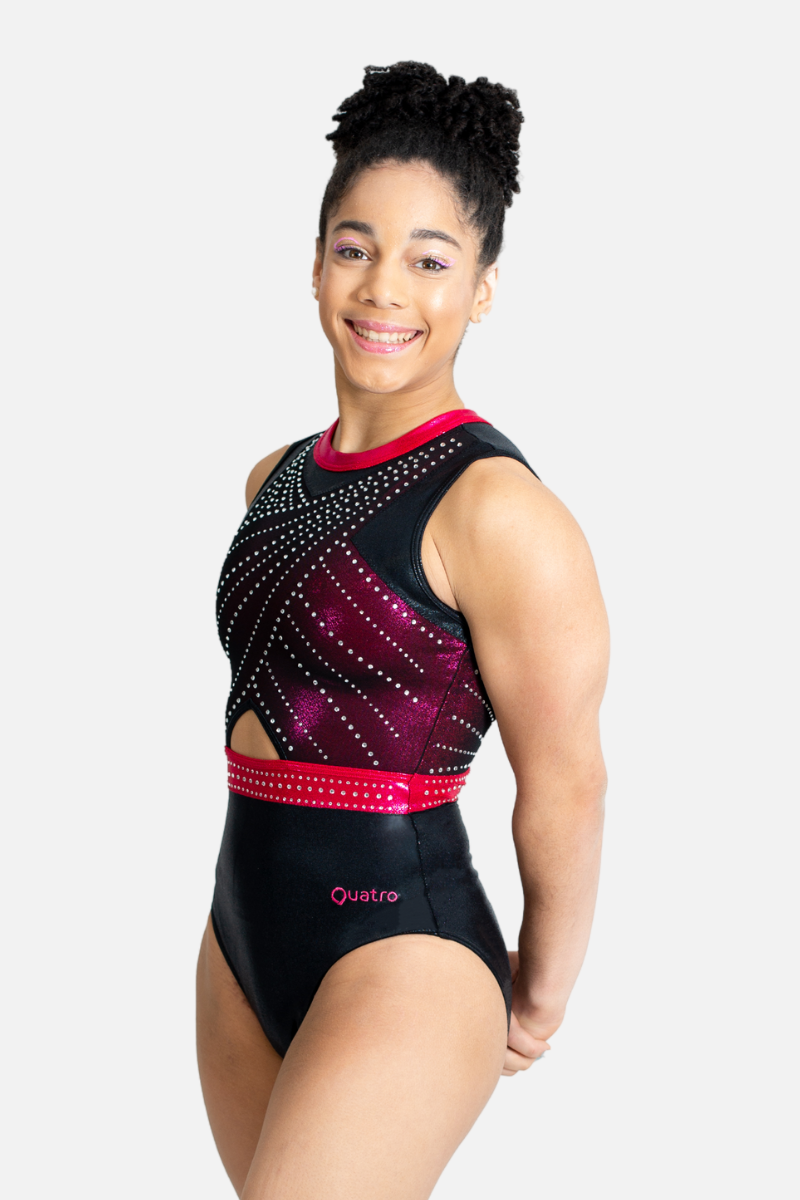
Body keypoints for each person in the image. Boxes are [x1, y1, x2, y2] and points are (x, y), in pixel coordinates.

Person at [196, 61, 609, 1200]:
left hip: (404, 952)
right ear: (315, 261)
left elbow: (567, 780)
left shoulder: (498, 511)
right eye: (355, 247)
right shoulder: (274, 478)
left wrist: (540, 995)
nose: (383, 288)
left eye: (430, 260)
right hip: (239, 934)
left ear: (481, 288)